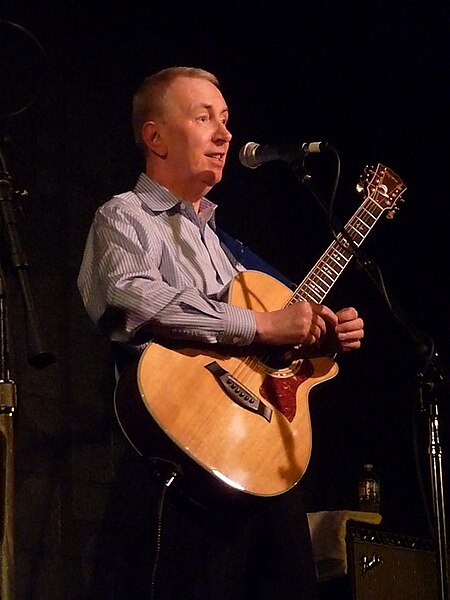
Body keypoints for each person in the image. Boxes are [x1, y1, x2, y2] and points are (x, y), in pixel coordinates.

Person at [77, 66, 364, 600]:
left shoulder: (224, 247)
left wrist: (317, 339)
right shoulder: (126, 216)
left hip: (259, 458)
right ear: (155, 136)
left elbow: (267, 344)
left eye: (226, 120)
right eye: (203, 116)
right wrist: (259, 322)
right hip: (183, 465)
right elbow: (131, 295)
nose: (225, 134)